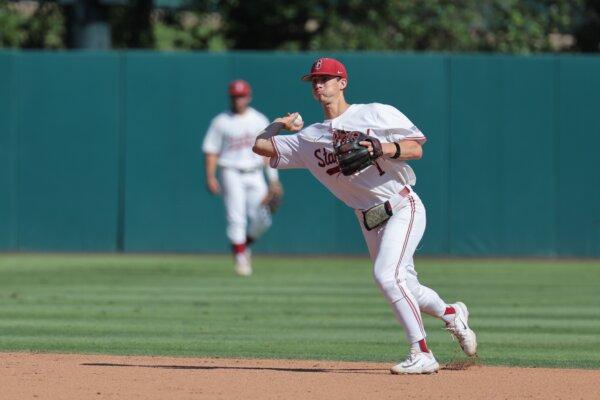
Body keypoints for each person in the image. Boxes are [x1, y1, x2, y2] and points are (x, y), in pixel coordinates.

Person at [252, 58, 477, 374]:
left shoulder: (374, 112)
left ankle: (422, 353)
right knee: (406, 286)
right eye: (314, 80)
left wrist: (381, 148)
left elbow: (416, 148)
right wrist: (279, 123)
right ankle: (452, 313)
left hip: (401, 205)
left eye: (326, 79)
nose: (318, 85)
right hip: (369, 219)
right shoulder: (309, 137)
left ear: (342, 82)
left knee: (387, 276)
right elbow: (261, 146)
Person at [203, 79, 282, 276]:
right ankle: (240, 259)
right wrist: (211, 176)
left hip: (255, 173)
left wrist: (273, 179)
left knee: (264, 218)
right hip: (231, 171)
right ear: (231, 97)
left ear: (249, 97)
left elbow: (267, 152)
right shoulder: (221, 121)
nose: (239, 99)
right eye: (235, 96)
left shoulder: (259, 119)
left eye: (242, 95)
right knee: (236, 217)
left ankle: (242, 246)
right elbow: (211, 150)